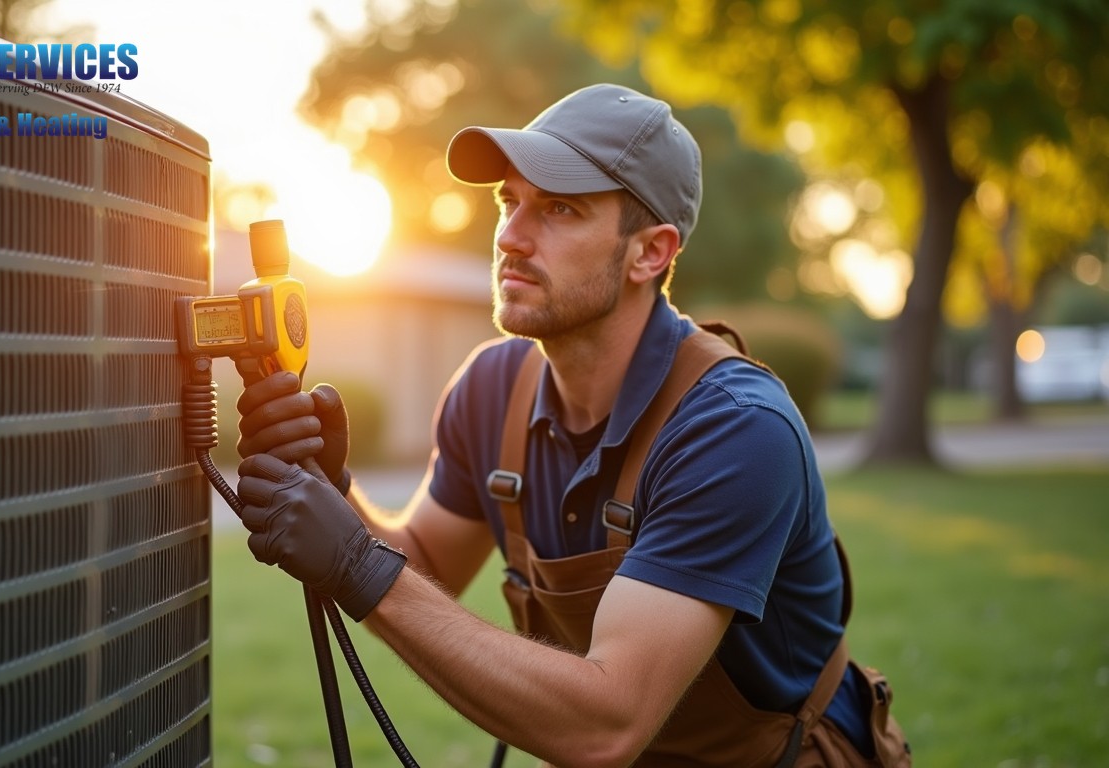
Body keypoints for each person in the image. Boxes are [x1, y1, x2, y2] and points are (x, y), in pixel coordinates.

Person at [232, 83, 909, 767]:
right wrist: (333, 491)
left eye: (559, 208)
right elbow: (424, 567)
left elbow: (606, 724)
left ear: (651, 252)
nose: (510, 237)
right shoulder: (490, 390)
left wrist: (352, 562)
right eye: (510, 201)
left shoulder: (736, 431)